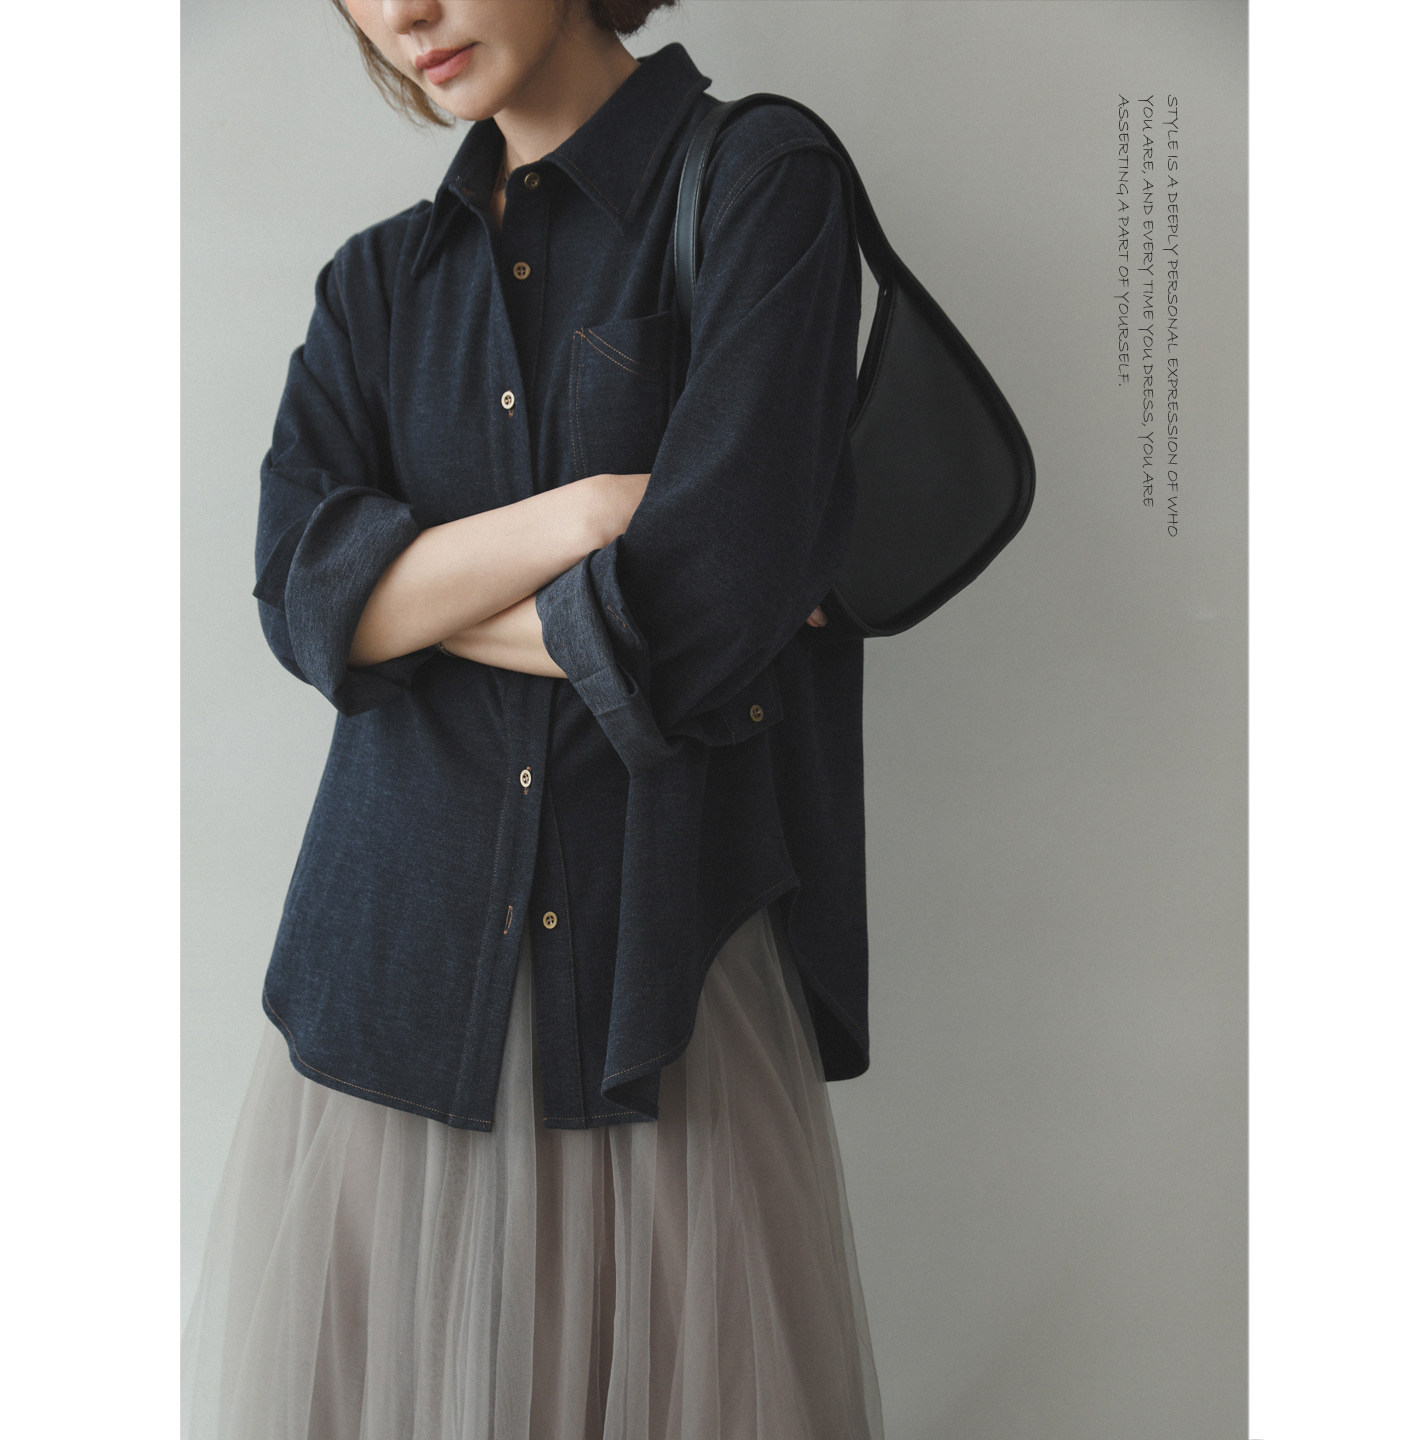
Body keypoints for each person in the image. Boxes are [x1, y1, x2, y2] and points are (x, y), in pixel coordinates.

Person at [182, 2, 883, 1436]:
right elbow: (294, 597)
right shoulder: (377, 284)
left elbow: (701, 618)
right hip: (390, 997)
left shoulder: (761, 183)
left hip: (656, 993)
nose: (402, 15)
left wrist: (404, 604)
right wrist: (579, 516)